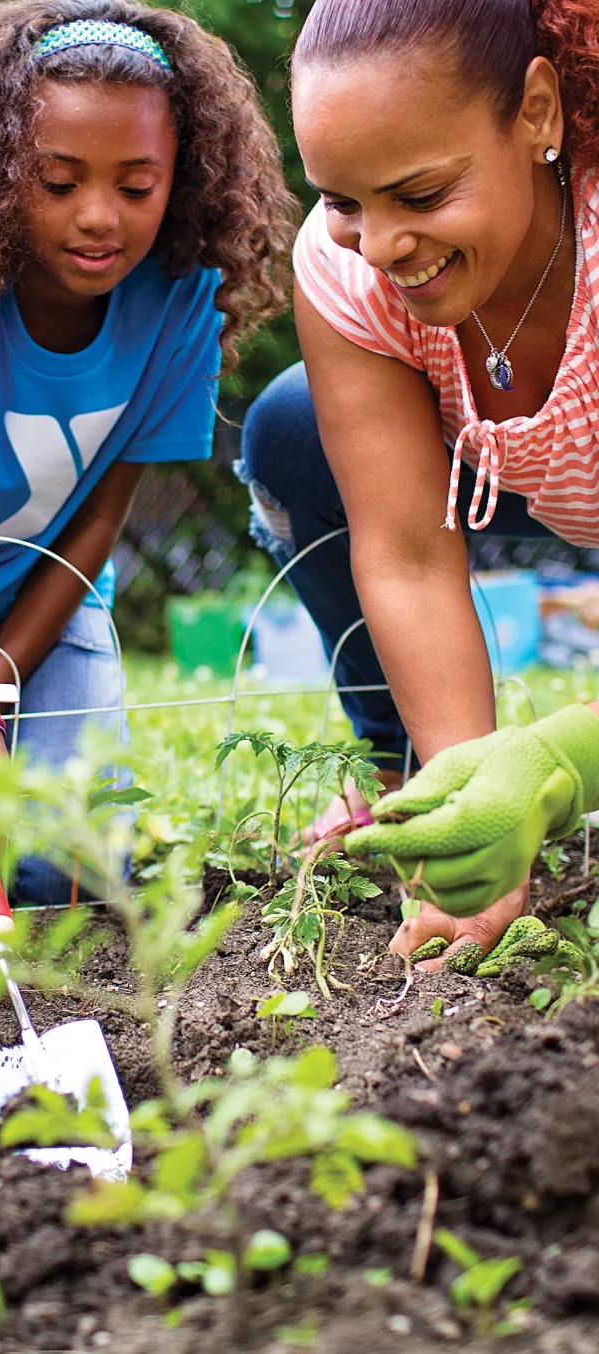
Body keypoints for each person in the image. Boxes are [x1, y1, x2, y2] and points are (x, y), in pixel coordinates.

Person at [0, 0, 298, 919]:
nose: (99, 217)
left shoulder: (183, 308)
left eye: (136, 184)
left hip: (50, 598)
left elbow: (99, 522)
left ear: (181, 177)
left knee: (63, 870)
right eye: (59, 180)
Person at [239, 0, 599, 969]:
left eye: (421, 194)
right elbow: (402, 555)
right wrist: (463, 814)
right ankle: (398, 768)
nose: (383, 245)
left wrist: (556, 761)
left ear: (533, 113)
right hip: (508, 464)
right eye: (345, 200)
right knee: (287, 426)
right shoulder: (345, 266)